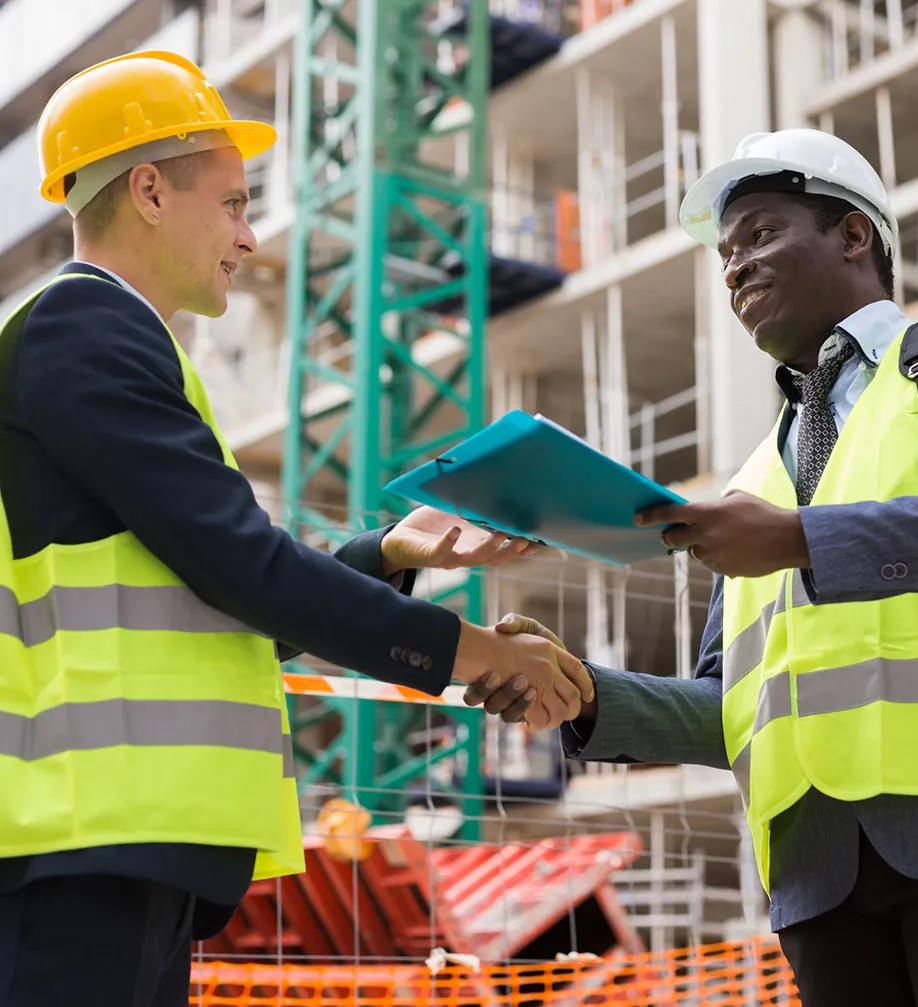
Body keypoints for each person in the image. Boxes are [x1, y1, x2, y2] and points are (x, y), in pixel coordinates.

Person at [466, 128, 918, 1007]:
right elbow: (731, 703)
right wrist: (583, 689)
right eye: (726, 254)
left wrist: (804, 539)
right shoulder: (757, 480)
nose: (735, 266)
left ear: (854, 234)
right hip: (818, 880)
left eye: (762, 234)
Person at [0, 51, 591, 1007]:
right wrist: (478, 655)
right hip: (80, 839)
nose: (249, 233)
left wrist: (392, 550)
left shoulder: (119, 345)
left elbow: (218, 597)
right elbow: (243, 566)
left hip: (119, 838)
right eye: (233, 203)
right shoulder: (84, 329)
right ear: (148, 188)